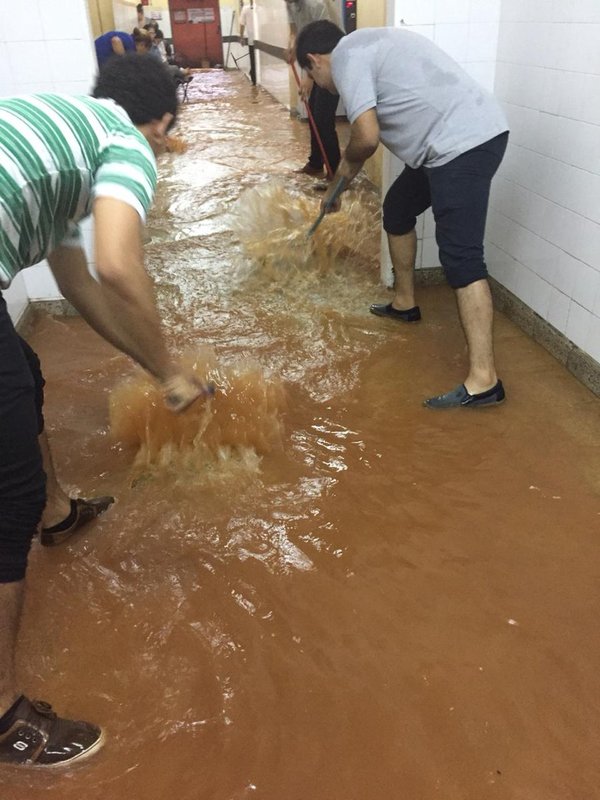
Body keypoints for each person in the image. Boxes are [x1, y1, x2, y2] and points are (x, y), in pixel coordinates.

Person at [0, 53, 211, 767]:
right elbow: (120, 265)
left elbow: (80, 284)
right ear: (161, 124)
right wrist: (176, 374)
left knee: (22, 373)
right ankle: (3, 719)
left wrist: (154, 366)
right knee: (7, 494)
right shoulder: (126, 143)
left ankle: (58, 511)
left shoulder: (68, 133)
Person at [296, 22, 510, 409]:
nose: (321, 86)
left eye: (312, 77)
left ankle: (485, 380)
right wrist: (337, 189)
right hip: (448, 143)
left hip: (463, 144)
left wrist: (337, 184)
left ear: (313, 61)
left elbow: (365, 136)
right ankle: (405, 302)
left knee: (461, 258)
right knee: (397, 209)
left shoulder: (346, 58)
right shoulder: (363, 45)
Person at [284, 0, 341, 180]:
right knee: (314, 118)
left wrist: (308, 77)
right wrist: (292, 46)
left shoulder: (315, 4)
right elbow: (295, 31)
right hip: (313, 63)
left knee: (324, 121)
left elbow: (326, 43)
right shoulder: (290, 3)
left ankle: (336, 173)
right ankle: (316, 163)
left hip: (331, 64)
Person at [239, 1, 257, 87]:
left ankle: (254, 80)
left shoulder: (245, 9)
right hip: (256, 40)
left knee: (253, 61)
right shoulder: (258, 9)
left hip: (252, 41)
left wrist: (241, 37)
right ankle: (254, 78)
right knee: (255, 61)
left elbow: (242, 24)